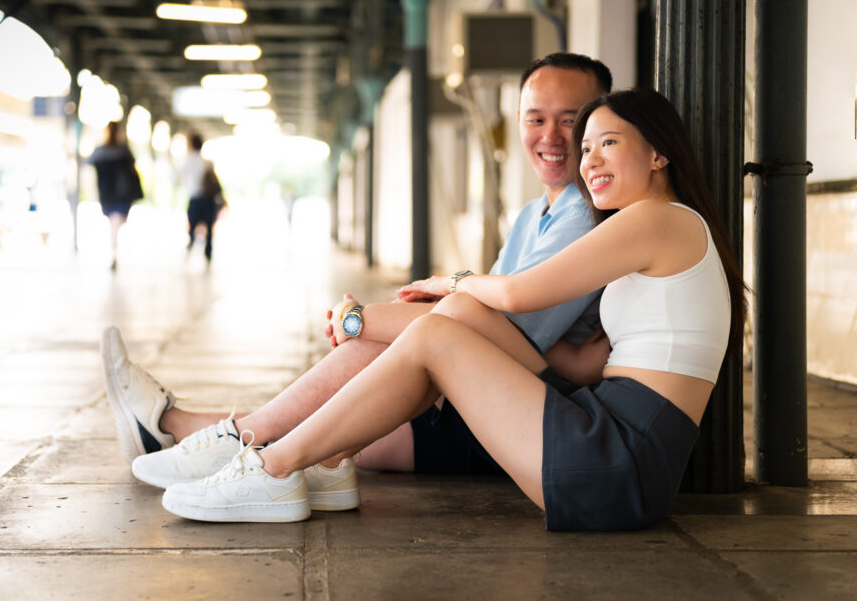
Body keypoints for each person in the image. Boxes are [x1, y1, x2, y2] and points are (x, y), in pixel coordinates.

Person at [159, 87, 747, 530]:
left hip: (618, 463)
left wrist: (452, 281)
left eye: (607, 144)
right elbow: (576, 364)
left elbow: (518, 294)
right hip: (611, 434)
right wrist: (461, 306)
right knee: (456, 322)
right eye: (586, 147)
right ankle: (326, 457)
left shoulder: (657, 220)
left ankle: (276, 467)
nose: (588, 160)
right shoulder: (661, 229)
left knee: (439, 332)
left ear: (659, 154)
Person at [102, 53, 613, 489]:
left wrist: (362, 321)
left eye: (571, 120)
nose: (551, 135)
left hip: (516, 413)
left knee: (369, 361)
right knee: (319, 426)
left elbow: (485, 329)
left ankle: (202, 433)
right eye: (535, 118)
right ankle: (184, 428)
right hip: (474, 395)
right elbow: (485, 318)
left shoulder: (585, 218)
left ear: (597, 125)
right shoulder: (533, 214)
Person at [88, 120, 144, 271]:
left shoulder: (100, 151)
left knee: (114, 223)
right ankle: (115, 252)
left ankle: (115, 251)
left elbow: (89, 162)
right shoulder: (124, 151)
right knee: (116, 223)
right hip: (122, 193)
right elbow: (133, 170)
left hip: (107, 194)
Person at [181, 133, 219, 261]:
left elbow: (181, 179)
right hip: (208, 199)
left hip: (194, 198)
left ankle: (190, 247)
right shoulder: (207, 162)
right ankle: (208, 252)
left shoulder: (187, 161)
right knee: (208, 226)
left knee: (192, 226)